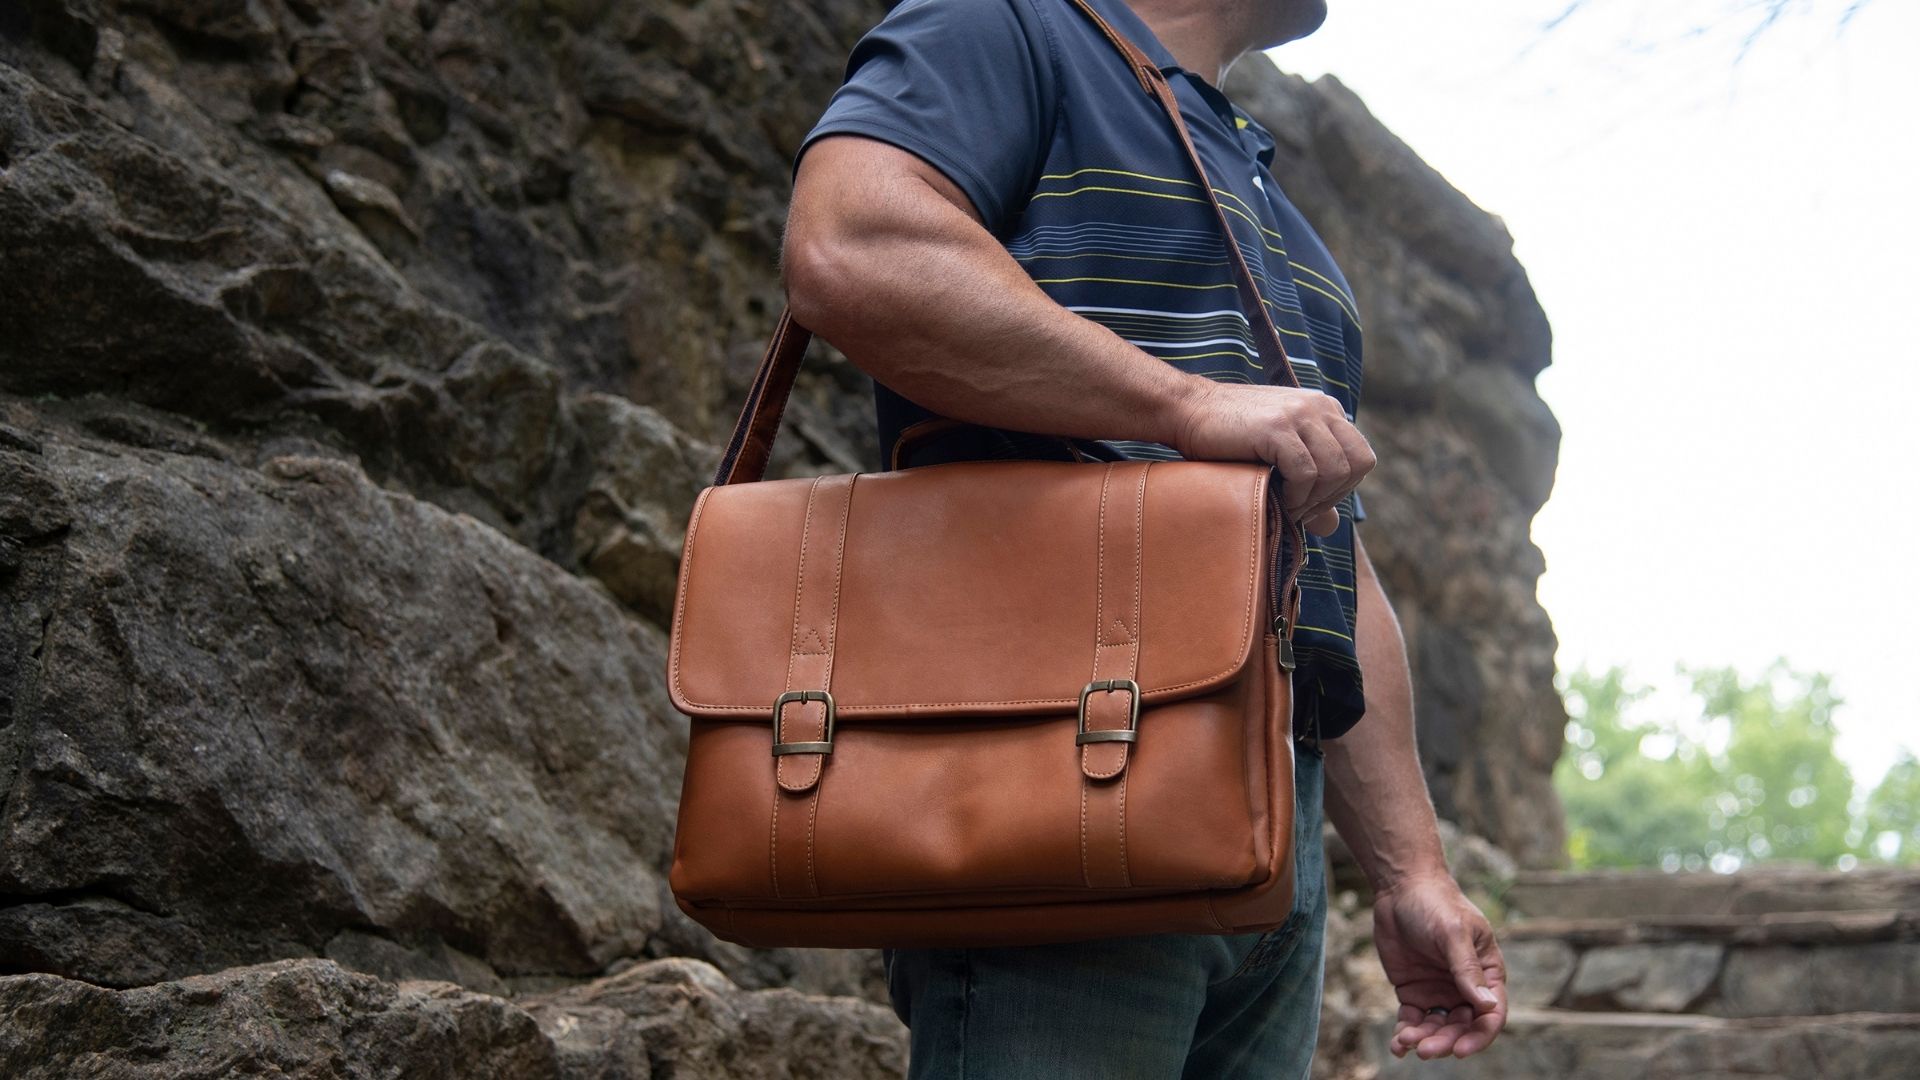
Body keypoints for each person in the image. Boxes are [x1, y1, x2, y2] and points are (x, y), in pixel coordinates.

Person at [781, 0, 1509, 1073]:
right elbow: (850, 245)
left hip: (1270, 840)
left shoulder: (1254, 180)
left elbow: (1323, 549)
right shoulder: (1004, 24)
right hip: (1064, 767)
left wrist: (1411, 872)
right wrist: (1182, 403)